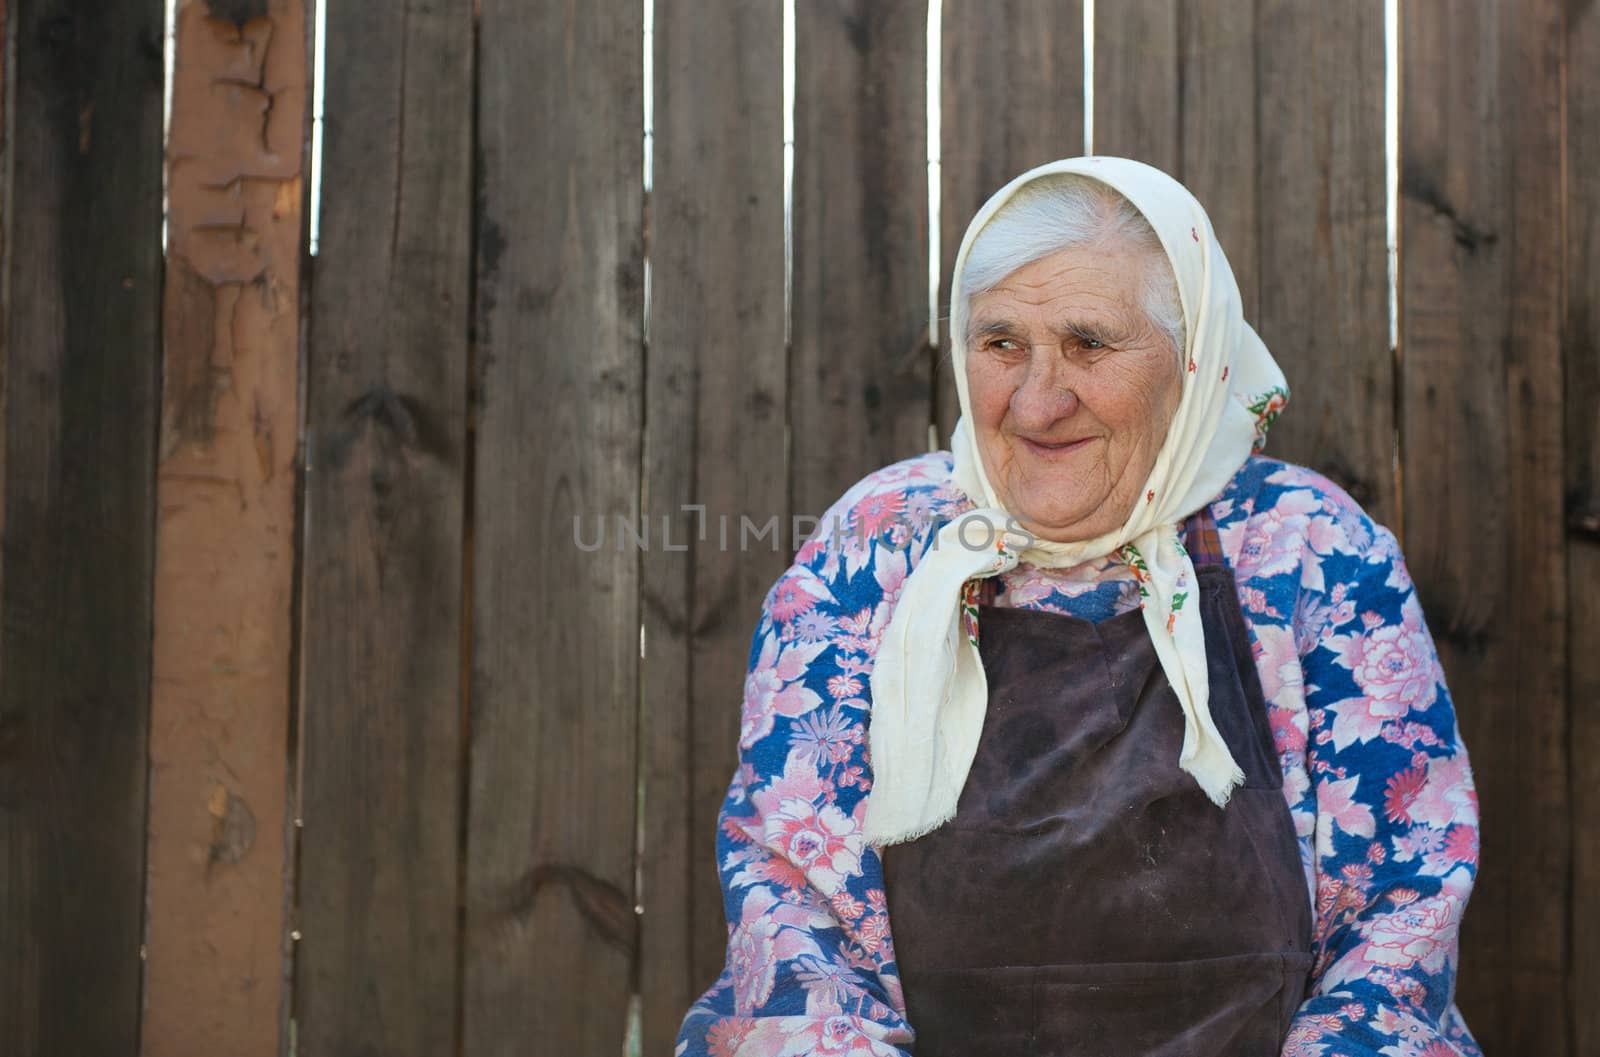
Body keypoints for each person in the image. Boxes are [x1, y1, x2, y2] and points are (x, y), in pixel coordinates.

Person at [675, 157, 1482, 1057]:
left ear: (1191, 360)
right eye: (1001, 343)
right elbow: (792, 899)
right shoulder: (875, 547)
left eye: (1090, 343)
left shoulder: (1310, 551)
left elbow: (1399, 907)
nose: (1037, 399)